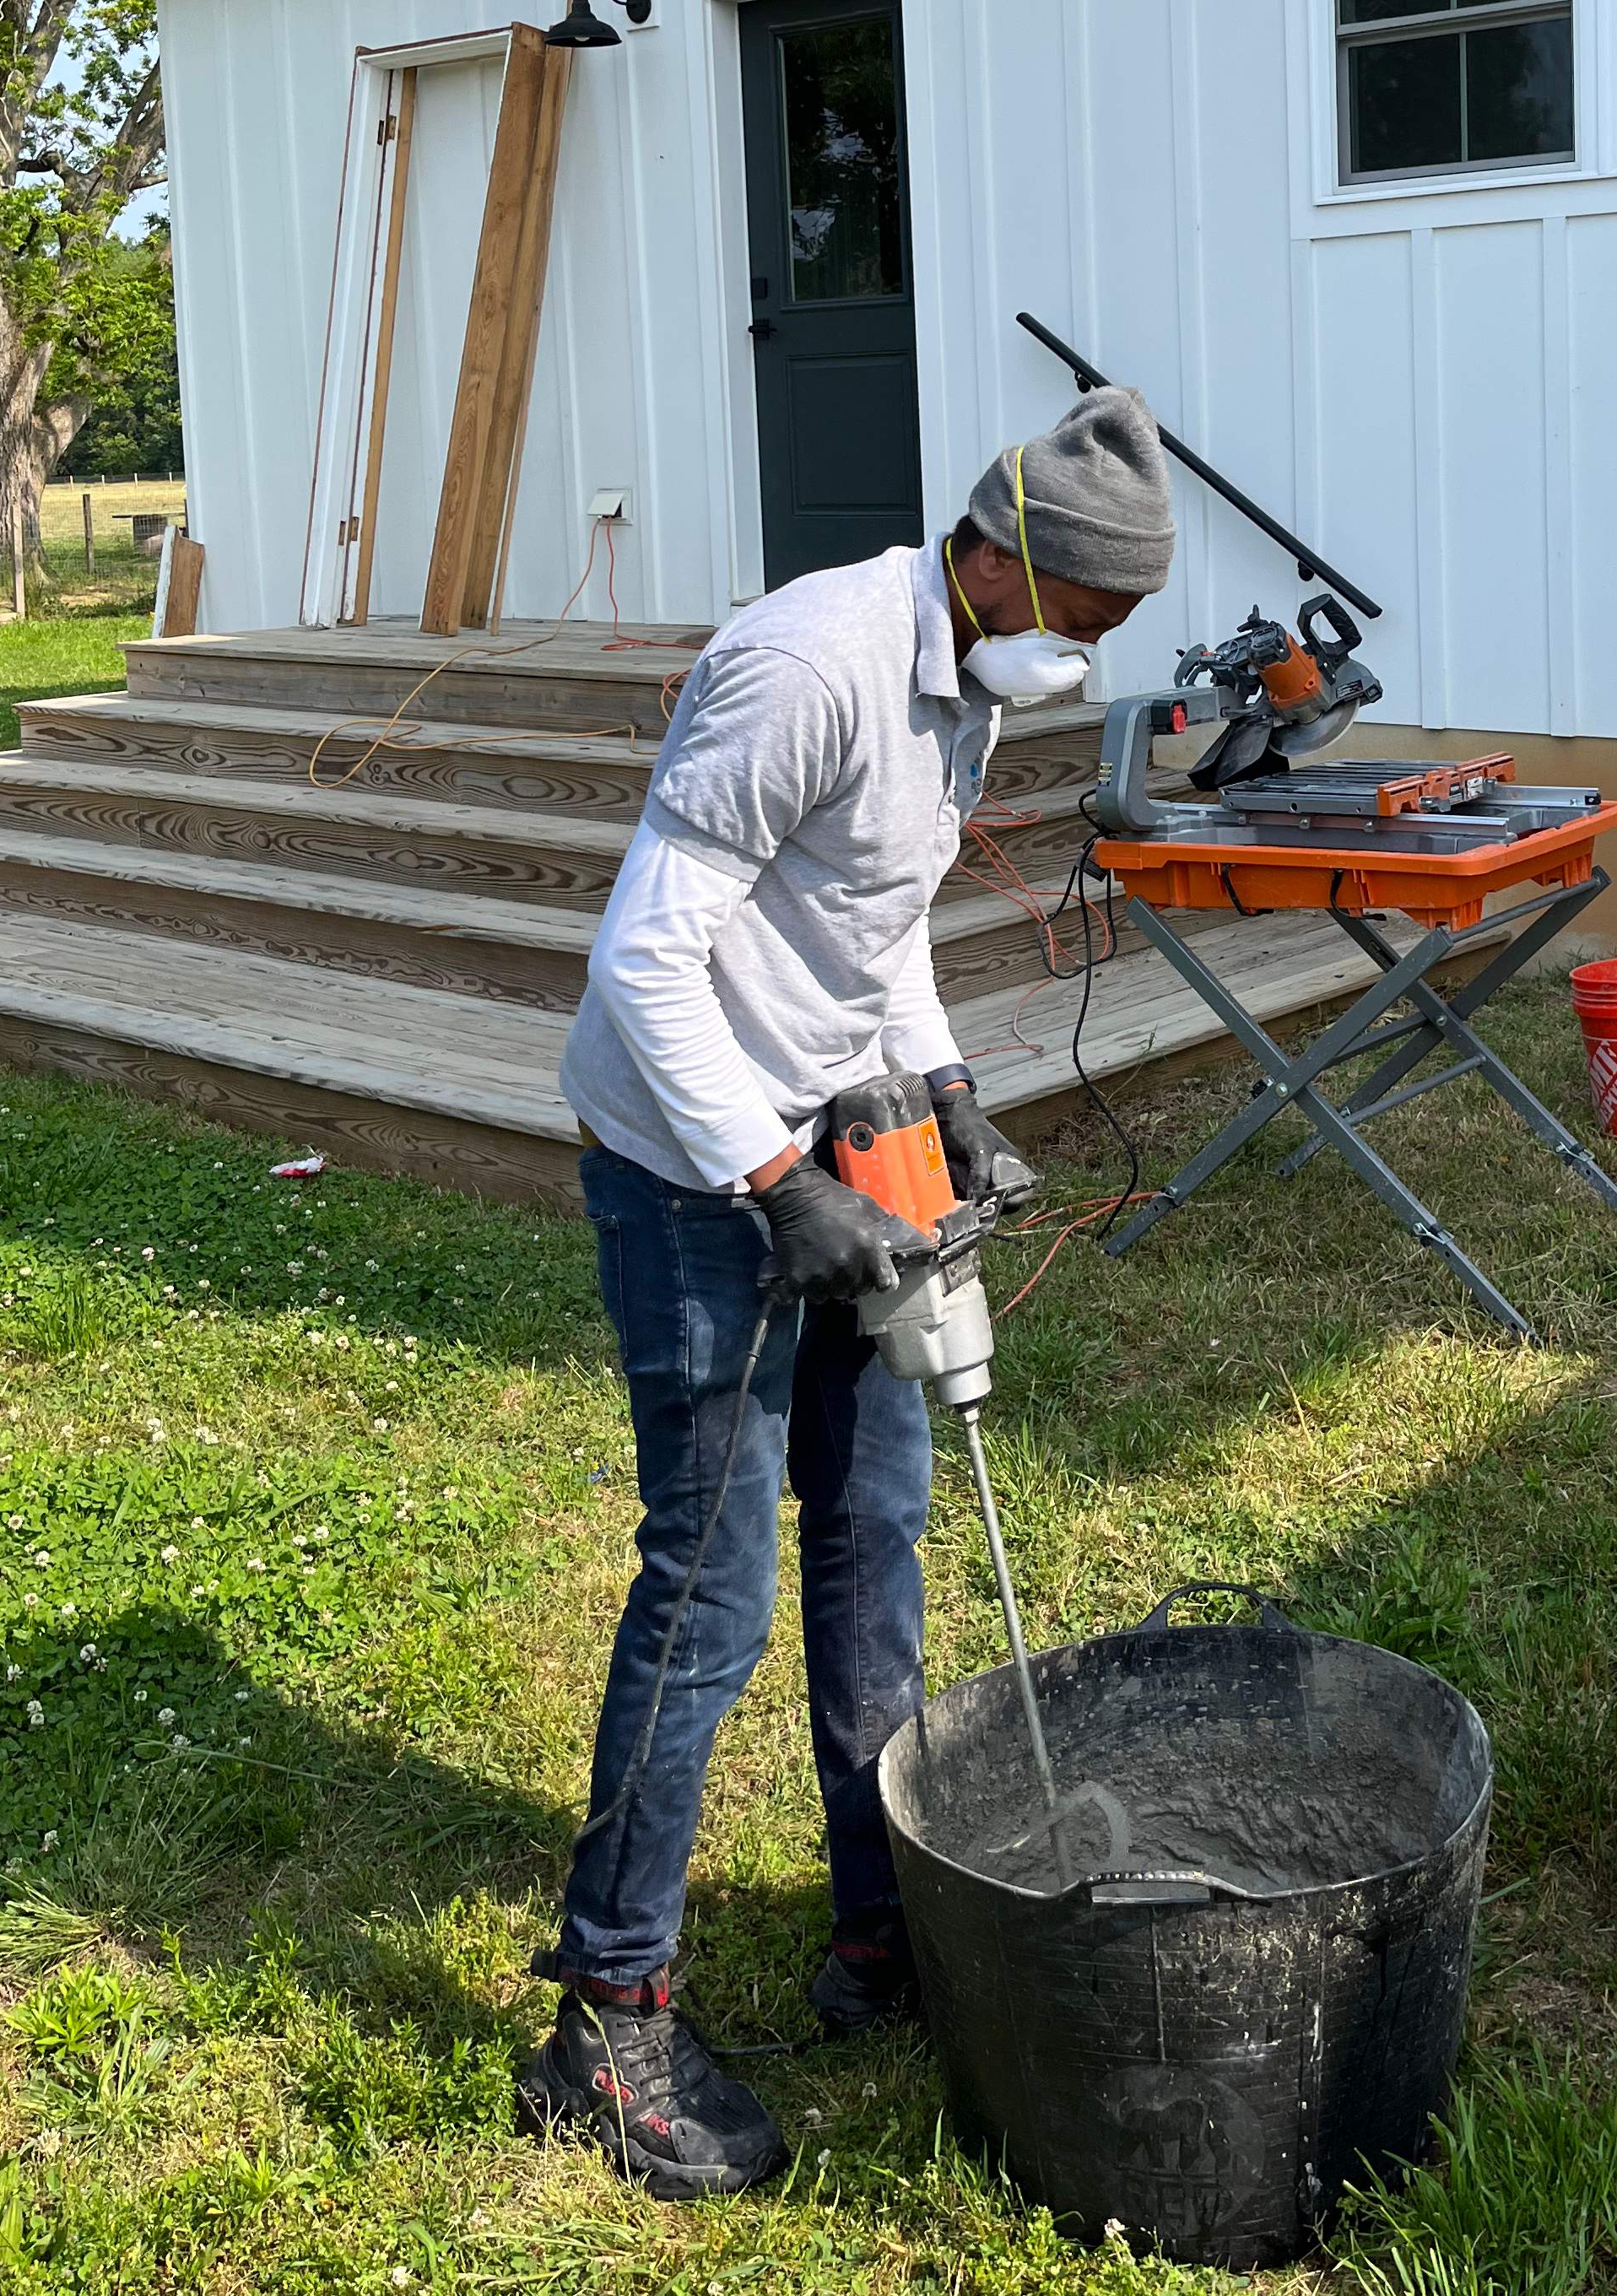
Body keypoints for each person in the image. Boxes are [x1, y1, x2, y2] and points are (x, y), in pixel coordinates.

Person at [516, 386, 1175, 2200]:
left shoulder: (960, 678)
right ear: (1013, 558)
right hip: (686, 1162)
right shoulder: (807, 667)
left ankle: (879, 1924)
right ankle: (607, 2021)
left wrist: (949, 1099)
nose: (1096, 653)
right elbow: (643, 957)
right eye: (1096, 617)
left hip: (829, 1133)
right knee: (709, 1591)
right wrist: (772, 1184)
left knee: (875, 1533)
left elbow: (866, 931)